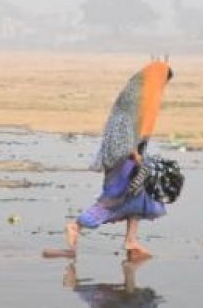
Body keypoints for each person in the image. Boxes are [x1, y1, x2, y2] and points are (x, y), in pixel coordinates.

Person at [65, 61, 173, 261]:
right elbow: (124, 126)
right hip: (124, 157)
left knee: (138, 197)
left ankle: (131, 240)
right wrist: (132, 152)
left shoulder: (141, 94)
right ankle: (77, 225)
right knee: (115, 198)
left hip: (130, 155)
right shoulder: (135, 98)